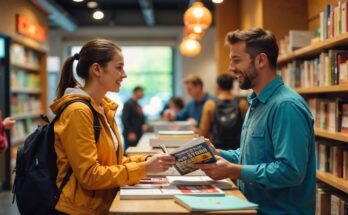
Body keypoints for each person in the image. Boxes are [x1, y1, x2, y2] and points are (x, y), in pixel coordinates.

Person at [195, 28, 316, 214]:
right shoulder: (255, 102)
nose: (230, 68)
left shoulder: (286, 106)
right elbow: (250, 156)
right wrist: (216, 153)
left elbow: (291, 172)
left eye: (236, 60)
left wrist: (234, 171)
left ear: (260, 60)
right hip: (251, 207)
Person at [51, 39, 176, 214]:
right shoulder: (78, 111)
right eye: (119, 68)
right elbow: (90, 175)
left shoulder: (102, 108)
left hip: (101, 206)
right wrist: (145, 168)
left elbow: (111, 162)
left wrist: (148, 160)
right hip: (79, 210)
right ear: (96, 69)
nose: (124, 74)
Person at [199, 74, 248, 150]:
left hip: (217, 149)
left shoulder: (210, 104)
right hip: (238, 149)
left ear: (217, 87)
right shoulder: (242, 103)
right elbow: (247, 125)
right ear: (232, 87)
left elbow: (204, 129)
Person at [121, 86, 145, 150]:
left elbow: (140, 118)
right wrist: (130, 132)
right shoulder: (128, 104)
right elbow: (125, 119)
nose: (143, 94)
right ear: (136, 92)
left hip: (138, 132)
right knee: (129, 152)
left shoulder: (137, 104)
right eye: (141, 92)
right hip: (131, 133)